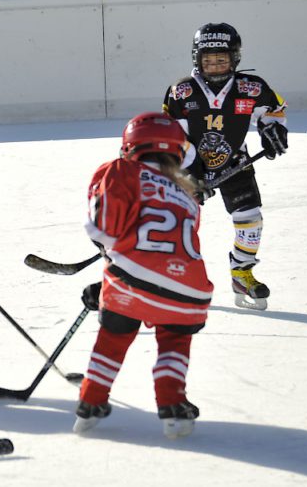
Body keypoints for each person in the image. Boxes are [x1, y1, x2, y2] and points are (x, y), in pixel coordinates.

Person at [73, 112, 212, 439]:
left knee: (114, 335)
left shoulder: (120, 170)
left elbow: (102, 227)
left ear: (130, 146)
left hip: (131, 279)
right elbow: (176, 249)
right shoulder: (190, 193)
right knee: (174, 339)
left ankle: (91, 401)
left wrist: (110, 277)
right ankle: (172, 404)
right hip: (190, 290)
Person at [162, 23, 288, 311]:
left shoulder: (252, 88)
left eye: (222, 59)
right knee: (177, 224)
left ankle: (242, 272)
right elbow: (171, 137)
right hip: (188, 169)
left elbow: (275, 111)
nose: (215, 65)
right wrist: (190, 176)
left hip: (235, 162)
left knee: (251, 219)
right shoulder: (181, 92)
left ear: (235, 58)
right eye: (208, 60)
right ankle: (172, 277)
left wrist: (273, 131)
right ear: (197, 59)